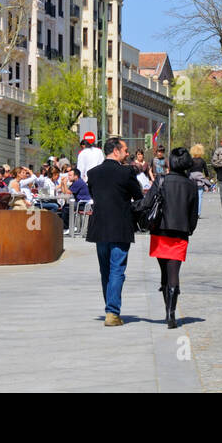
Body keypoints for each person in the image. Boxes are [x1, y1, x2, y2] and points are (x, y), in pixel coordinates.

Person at [139, 147, 200, 328]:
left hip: (161, 230)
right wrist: (189, 229)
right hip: (180, 232)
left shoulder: (161, 180)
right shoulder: (191, 185)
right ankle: (171, 314)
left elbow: (147, 203)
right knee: (174, 271)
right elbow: (193, 213)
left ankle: (168, 308)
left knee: (164, 271)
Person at [86, 136, 143, 327]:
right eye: (126, 150)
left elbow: (94, 195)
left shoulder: (93, 173)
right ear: (116, 151)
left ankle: (110, 309)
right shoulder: (126, 172)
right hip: (120, 226)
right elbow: (138, 196)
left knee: (106, 271)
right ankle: (112, 312)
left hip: (99, 227)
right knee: (117, 269)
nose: (128, 154)